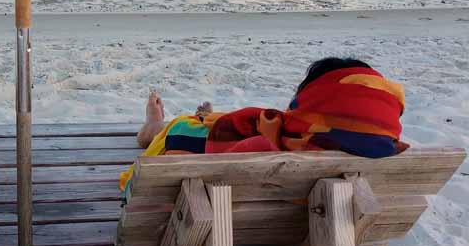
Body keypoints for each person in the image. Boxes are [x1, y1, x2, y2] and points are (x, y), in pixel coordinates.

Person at [123, 57, 407, 196]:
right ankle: (201, 118)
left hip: (209, 225)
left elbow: (178, 147)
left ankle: (154, 127)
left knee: (181, 127)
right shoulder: (384, 154)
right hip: (304, 239)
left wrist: (169, 128)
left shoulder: (274, 140)